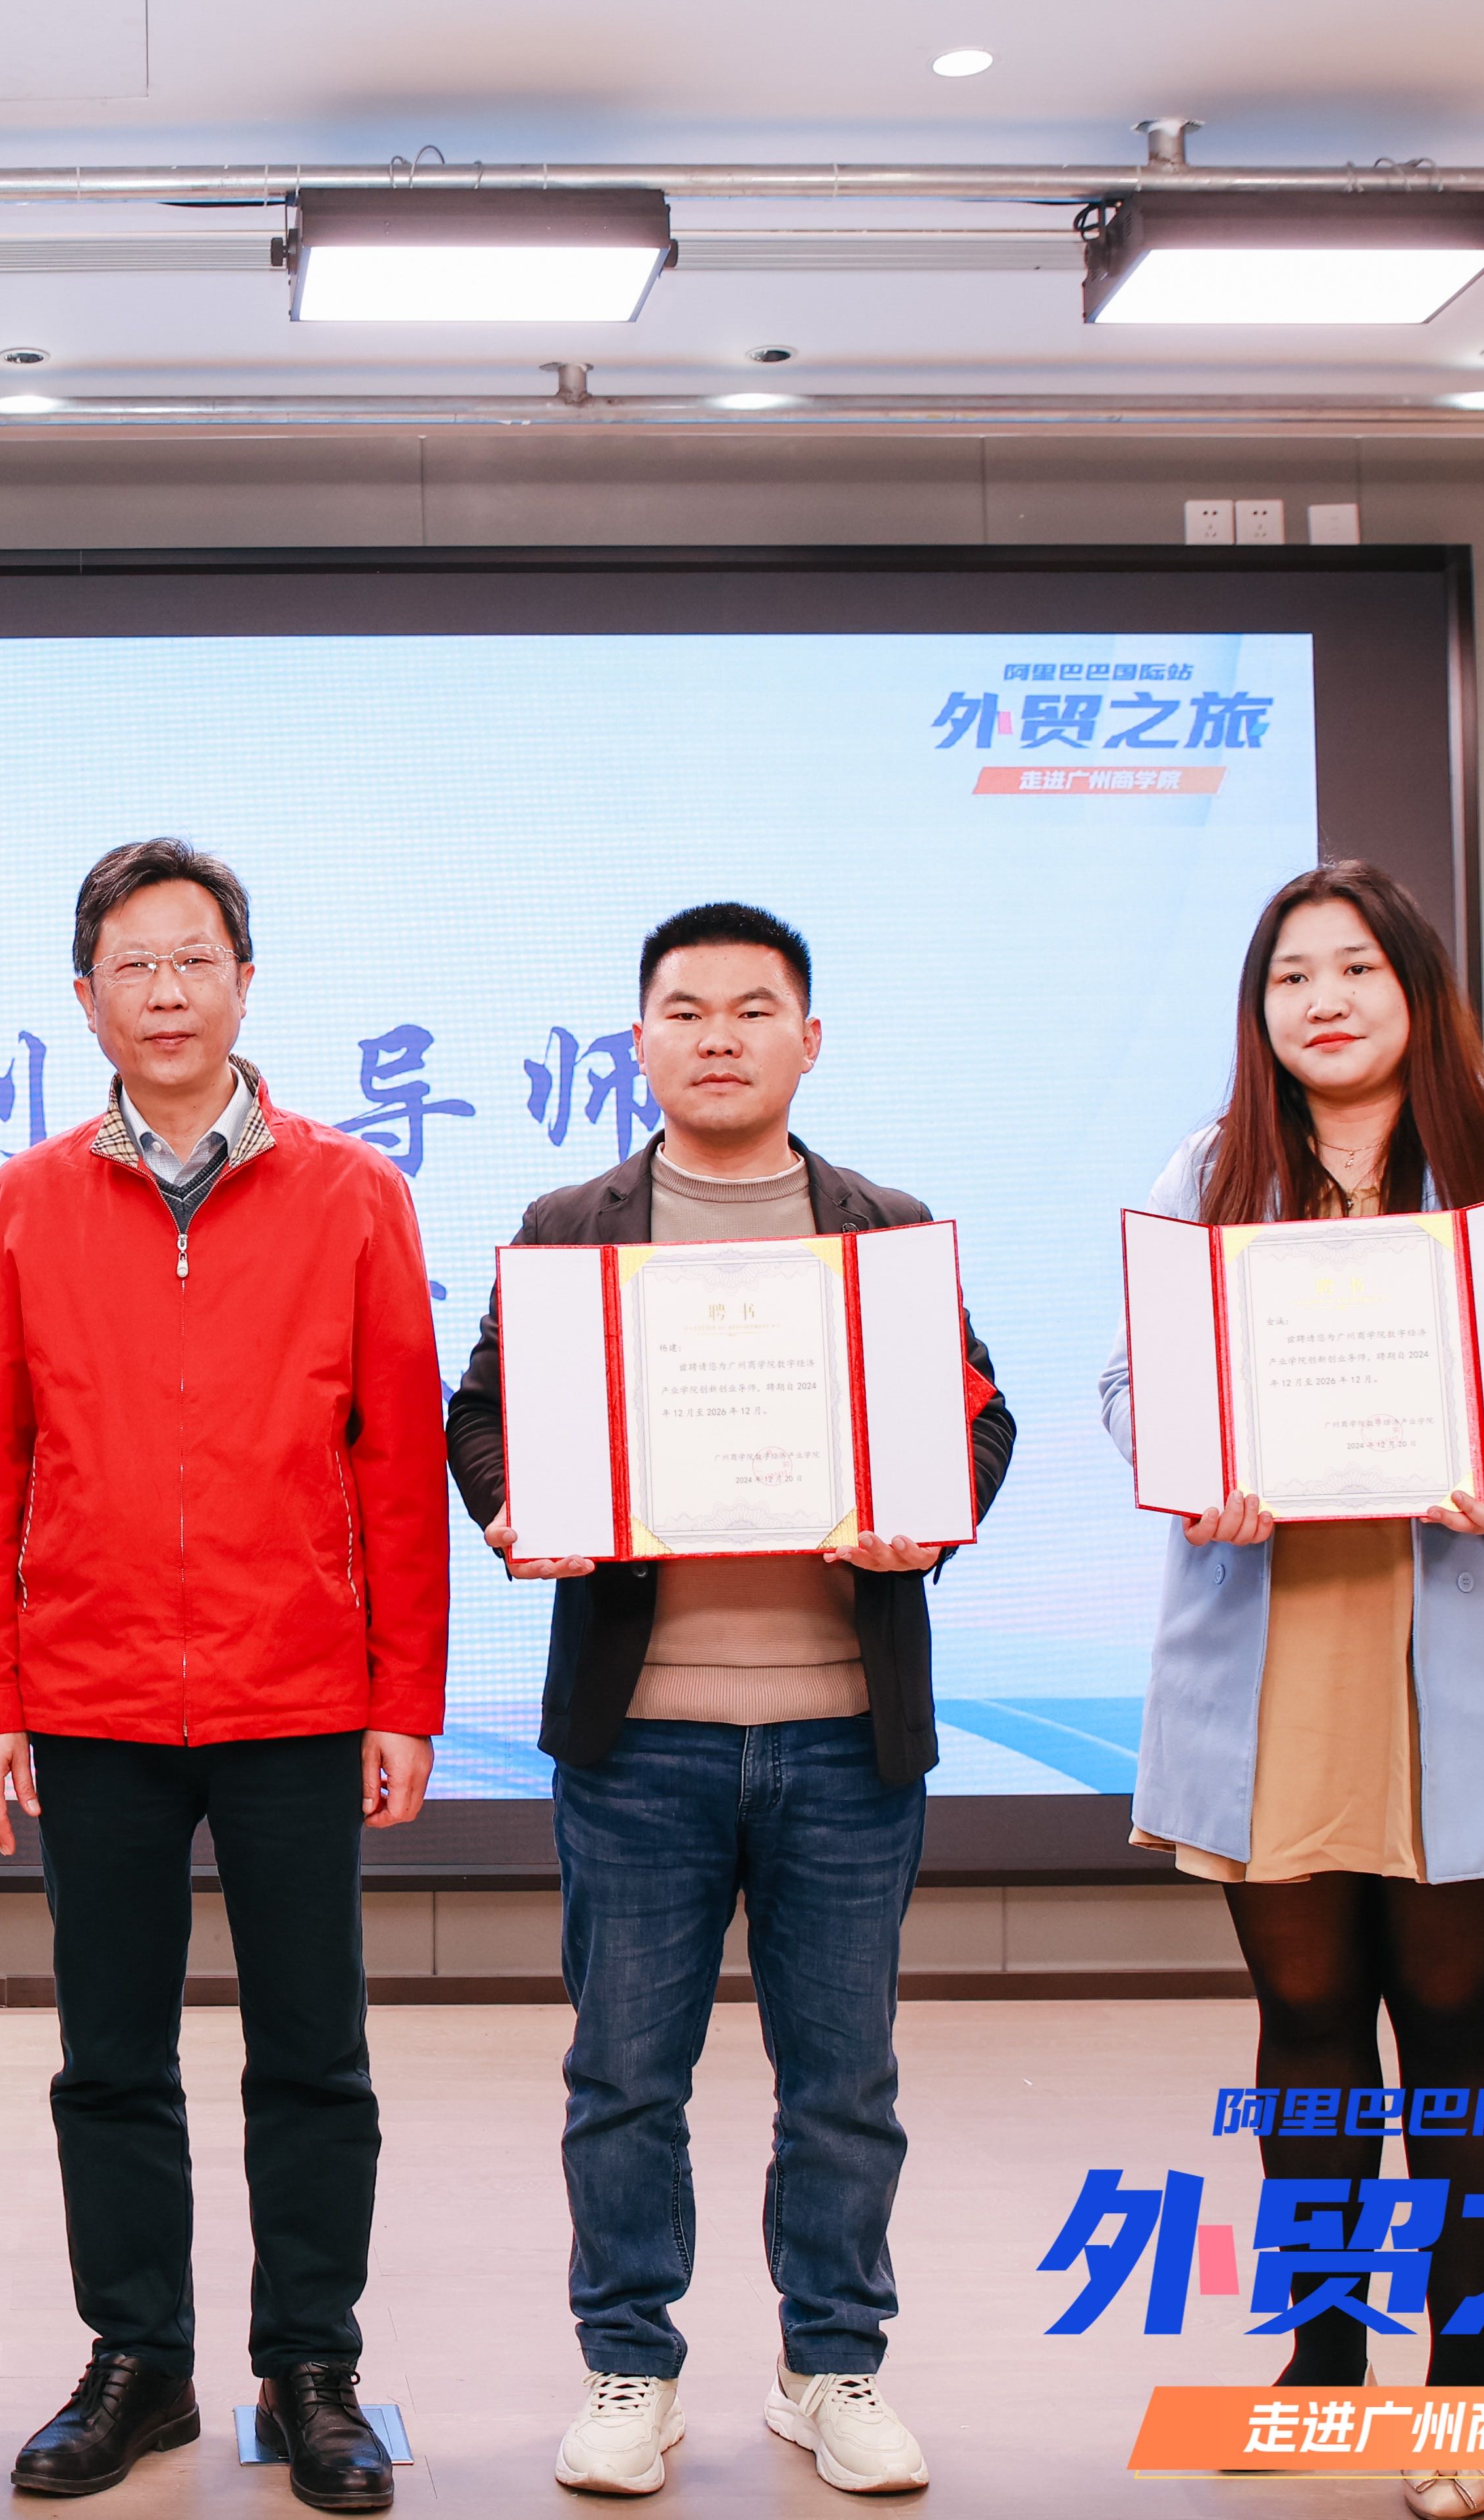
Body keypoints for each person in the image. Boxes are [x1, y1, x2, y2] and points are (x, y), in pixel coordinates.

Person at [1104, 862, 1484, 2520]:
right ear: (1260, 1009)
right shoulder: (1214, 1172)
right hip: (1278, 1649)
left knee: (1460, 2029)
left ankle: (1467, 2390)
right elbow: (1135, 1382)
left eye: (1355, 968)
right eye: (1292, 976)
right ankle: (1324, 2367)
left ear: (1415, 989)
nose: (1324, 1000)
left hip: (1468, 1643)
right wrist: (1190, 1466)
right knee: (1306, 2030)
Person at [446, 901, 1011, 2500]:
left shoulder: (884, 1226)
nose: (718, 1036)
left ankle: (831, 2363)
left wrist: (934, 1512)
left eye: (753, 1010)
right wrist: (512, 1505)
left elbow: (980, 1416)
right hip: (641, 1737)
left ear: (807, 1041)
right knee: (627, 2077)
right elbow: (481, 1411)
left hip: (845, 1731)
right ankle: (630, 2365)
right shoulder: (572, 1227)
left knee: (844, 2084)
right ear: (639, 1042)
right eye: (685, 1010)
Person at [0, 839, 446, 2515]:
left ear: (246, 981)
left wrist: (405, 1695)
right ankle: (137, 2360)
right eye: (132, 966)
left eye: (195, 960)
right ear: (85, 999)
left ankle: (312, 2367)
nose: (165, 991)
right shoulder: (22, 1204)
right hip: (89, 1700)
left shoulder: (353, 1194)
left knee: (315, 2055)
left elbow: (396, 1469)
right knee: (111, 2059)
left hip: (297, 1693)